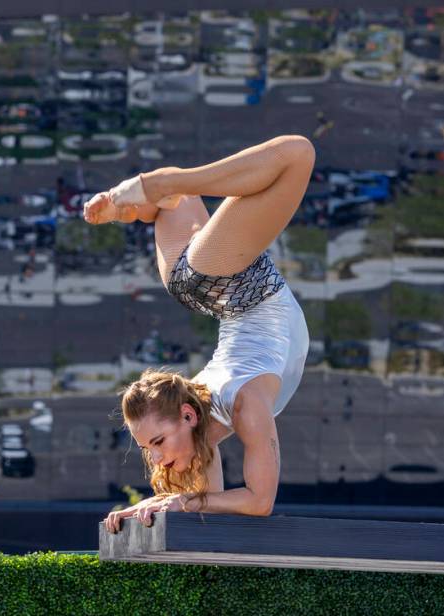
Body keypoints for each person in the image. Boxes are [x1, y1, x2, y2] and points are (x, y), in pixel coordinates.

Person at [88, 135, 316, 533]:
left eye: (155, 443)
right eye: (149, 448)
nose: (155, 460)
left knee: (298, 154)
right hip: (191, 283)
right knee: (176, 203)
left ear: (188, 415)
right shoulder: (216, 416)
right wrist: (151, 505)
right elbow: (221, 502)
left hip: (228, 281)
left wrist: (181, 500)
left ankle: (165, 186)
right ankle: (147, 203)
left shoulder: (242, 404)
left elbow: (259, 501)